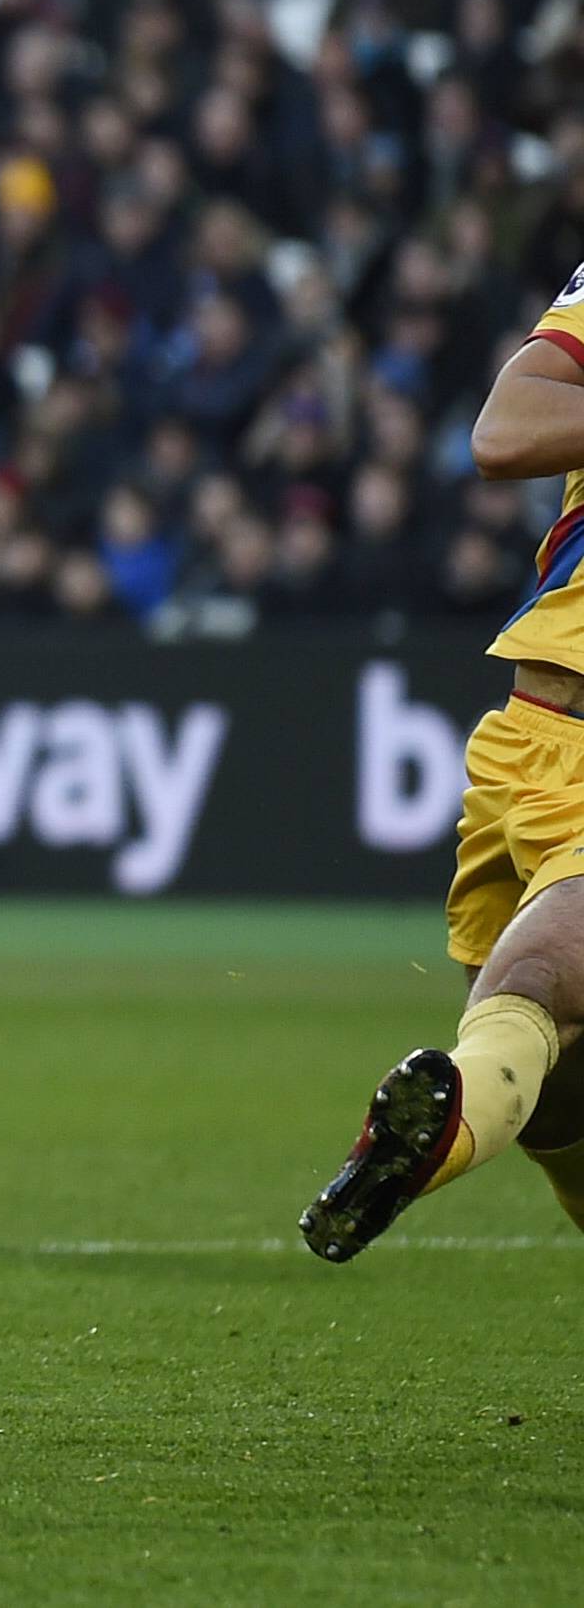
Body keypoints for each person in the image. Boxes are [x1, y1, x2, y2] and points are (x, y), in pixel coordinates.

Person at [302, 261, 584, 1261]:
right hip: (529, 733)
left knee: (541, 979)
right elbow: (503, 433)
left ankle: (436, 1136)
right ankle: (463, 1117)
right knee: (555, 1100)